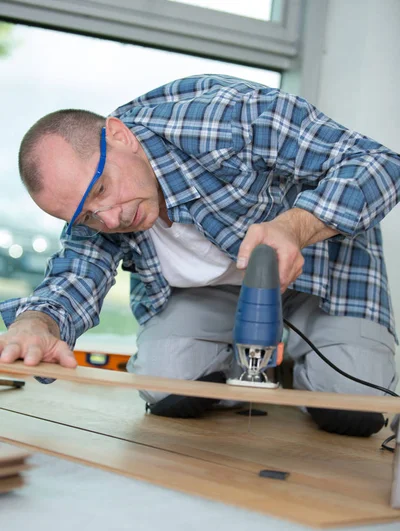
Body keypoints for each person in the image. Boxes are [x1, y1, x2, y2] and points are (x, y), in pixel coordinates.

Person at [0, 74, 399, 436]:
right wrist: (39, 323)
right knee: (166, 387)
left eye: (103, 188)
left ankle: (295, 364)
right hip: (212, 292)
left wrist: (294, 228)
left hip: (323, 274)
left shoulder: (230, 117)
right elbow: (77, 272)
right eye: (87, 215)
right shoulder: (99, 211)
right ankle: (247, 367)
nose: (111, 218)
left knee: (354, 405)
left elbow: (379, 164)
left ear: (120, 136)